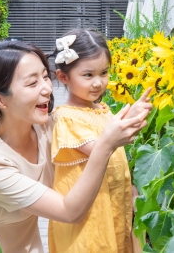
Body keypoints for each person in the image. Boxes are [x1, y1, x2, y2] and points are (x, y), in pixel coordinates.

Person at [0, 40, 151, 253]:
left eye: (46, 77)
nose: (47, 88)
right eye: (32, 83)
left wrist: (127, 120)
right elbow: (69, 211)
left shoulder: (49, 126)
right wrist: (105, 145)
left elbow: (97, 147)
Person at [46, 29, 151, 253]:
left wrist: (132, 115)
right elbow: (101, 147)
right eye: (88, 75)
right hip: (90, 211)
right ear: (63, 77)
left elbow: (112, 142)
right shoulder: (66, 117)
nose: (98, 82)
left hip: (113, 201)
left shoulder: (103, 109)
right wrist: (129, 121)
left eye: (104, 73)